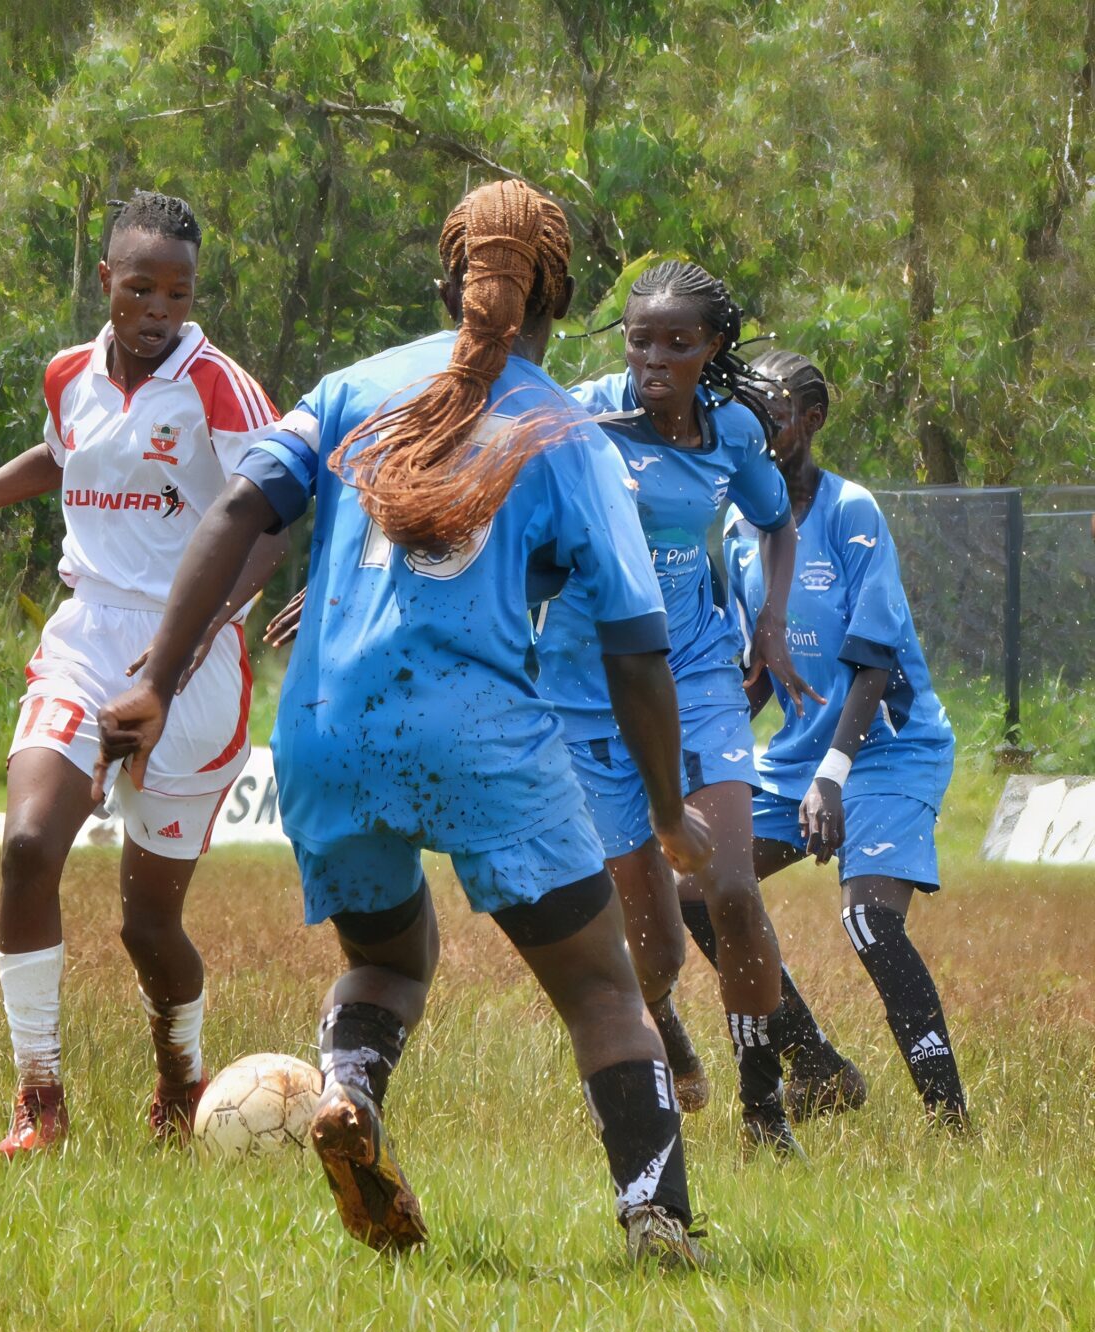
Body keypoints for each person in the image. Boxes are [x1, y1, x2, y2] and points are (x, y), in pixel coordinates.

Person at [97, 181, 712, 1267]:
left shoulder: (350, 388)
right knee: (603, 989)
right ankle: (657, 1219)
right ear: (555, 303)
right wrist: (667, 809)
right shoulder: (566, 432)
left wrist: (158, 671)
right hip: (476, 737)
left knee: (388, 964)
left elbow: (244, 509)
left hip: (330, 728)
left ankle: (350, 1091)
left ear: (446, 279)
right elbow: (637, 645)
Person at [0, 192, 285, 1156]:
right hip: (87, 637)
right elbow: (60, 457)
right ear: (106, 282)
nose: (159, 307)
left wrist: (192, 646)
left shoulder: (221, 388)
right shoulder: (69, 375)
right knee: (27, 847)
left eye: (178, 291)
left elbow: (273, 521)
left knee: (147, 926)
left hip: (196, 660)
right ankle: (39, 1096)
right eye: (140, 287)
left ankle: (182, 1076)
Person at [529, 261, 862, 1150]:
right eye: (642, 339)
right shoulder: (582, 414)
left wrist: (773, 623)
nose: (655, 358)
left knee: (731, 889)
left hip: (700, 675)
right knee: (658, 950)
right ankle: (663, 1014)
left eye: (679, 343)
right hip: (586, 692)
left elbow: (776, 520)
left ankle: (765, 1106)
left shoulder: (735, 433)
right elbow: (487, 473)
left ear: (712, 347)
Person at [725, 349, 967, 1127]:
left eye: (776, 413)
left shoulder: (851, 511)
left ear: (812, 421)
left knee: (868, 919)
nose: (761, 429)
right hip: (798, 757)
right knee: (704, 892)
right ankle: (817, 1065)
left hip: (887, 746)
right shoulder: (736, 524)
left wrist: (833, 773)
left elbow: (875, 656)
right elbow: (758, 671)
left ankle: (950, 1118)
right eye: (748, 414)